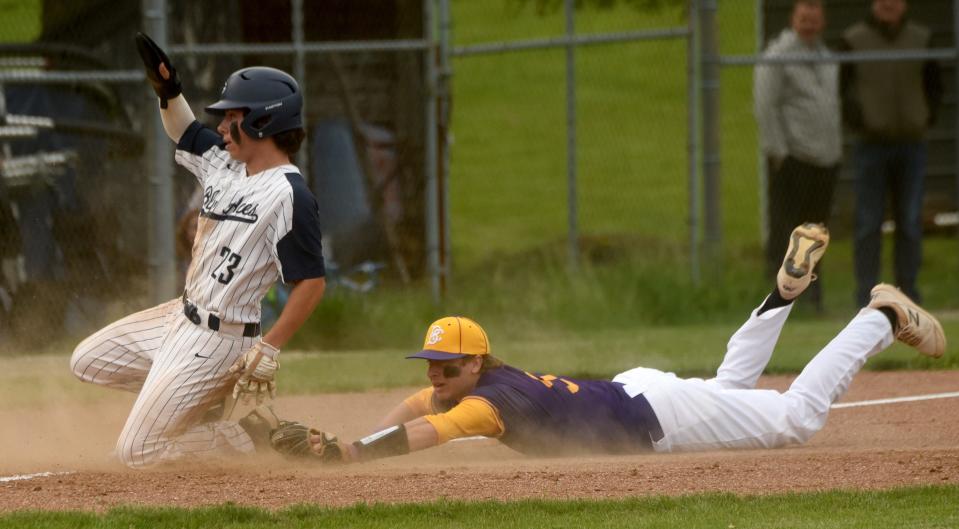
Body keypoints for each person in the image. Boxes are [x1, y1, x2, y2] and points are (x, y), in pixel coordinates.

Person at [269, 223, 945, 463]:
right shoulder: (480, 381)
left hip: (656, 414)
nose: (438, 376)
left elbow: (428, 432)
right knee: (727, 387)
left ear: (474, 360)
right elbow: (416, 409)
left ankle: (878, 318)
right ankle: (781, 297)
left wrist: (352, 454)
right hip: (642, 393)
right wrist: (354, 437)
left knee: (794, 420)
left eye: (447, 365)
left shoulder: (484, 402)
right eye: (435, 366)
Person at [69, 32, 327, 468]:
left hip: (221, 338)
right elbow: (184, 130)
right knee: (87, 361)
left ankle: (244, 435)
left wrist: (270, 348)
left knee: (135, 453)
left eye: (232, 118)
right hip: (178, 315)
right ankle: (194, 403)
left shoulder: (289, 195)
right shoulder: (226, 163)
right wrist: (168, 91)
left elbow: (312, 283)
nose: (223, 128)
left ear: (262, 122)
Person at [840, 0, 942, 307]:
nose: (888, 5)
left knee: (909, 222)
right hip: (871, 146)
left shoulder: (922, 38)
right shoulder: (852, 39)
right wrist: (861, 121)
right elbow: (844, 89)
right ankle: (866, 295)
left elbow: (935, 85)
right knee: (869, 222)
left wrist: (924, 117)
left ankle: (907, 292)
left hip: (911, 145)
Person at [753, 0, 841, 311]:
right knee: (786, 233)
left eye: (815, 19)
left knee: (816, 236)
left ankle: (811, 299)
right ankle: (776, 302)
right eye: (804, 18)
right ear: (794, 18)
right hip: (793, 160)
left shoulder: (826, 56)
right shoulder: (777, 56)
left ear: (823, 21)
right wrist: (779, 153)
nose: (809, 25)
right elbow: (765, 105)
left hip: (825, 161)